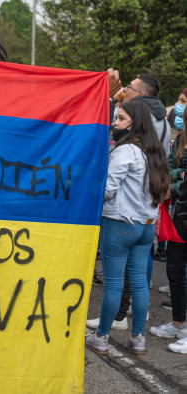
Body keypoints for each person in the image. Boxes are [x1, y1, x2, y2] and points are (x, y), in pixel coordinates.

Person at [85, 100, 170, 356]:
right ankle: (138, 338)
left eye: (121, 118)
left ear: (134, 122)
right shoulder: (154, 152)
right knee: (140, 284)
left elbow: (108, 190)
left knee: (113, 286)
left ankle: (101, 337)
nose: (115, 123)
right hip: (146, 228)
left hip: (120, 225)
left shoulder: (125, 151)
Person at [151, 107, 187, 353]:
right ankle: (178, 323)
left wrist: (174, 186)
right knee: (174, 271)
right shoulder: (181, 138)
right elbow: (170, 168)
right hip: (179, 214)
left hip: (179, 204)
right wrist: (179, 178)